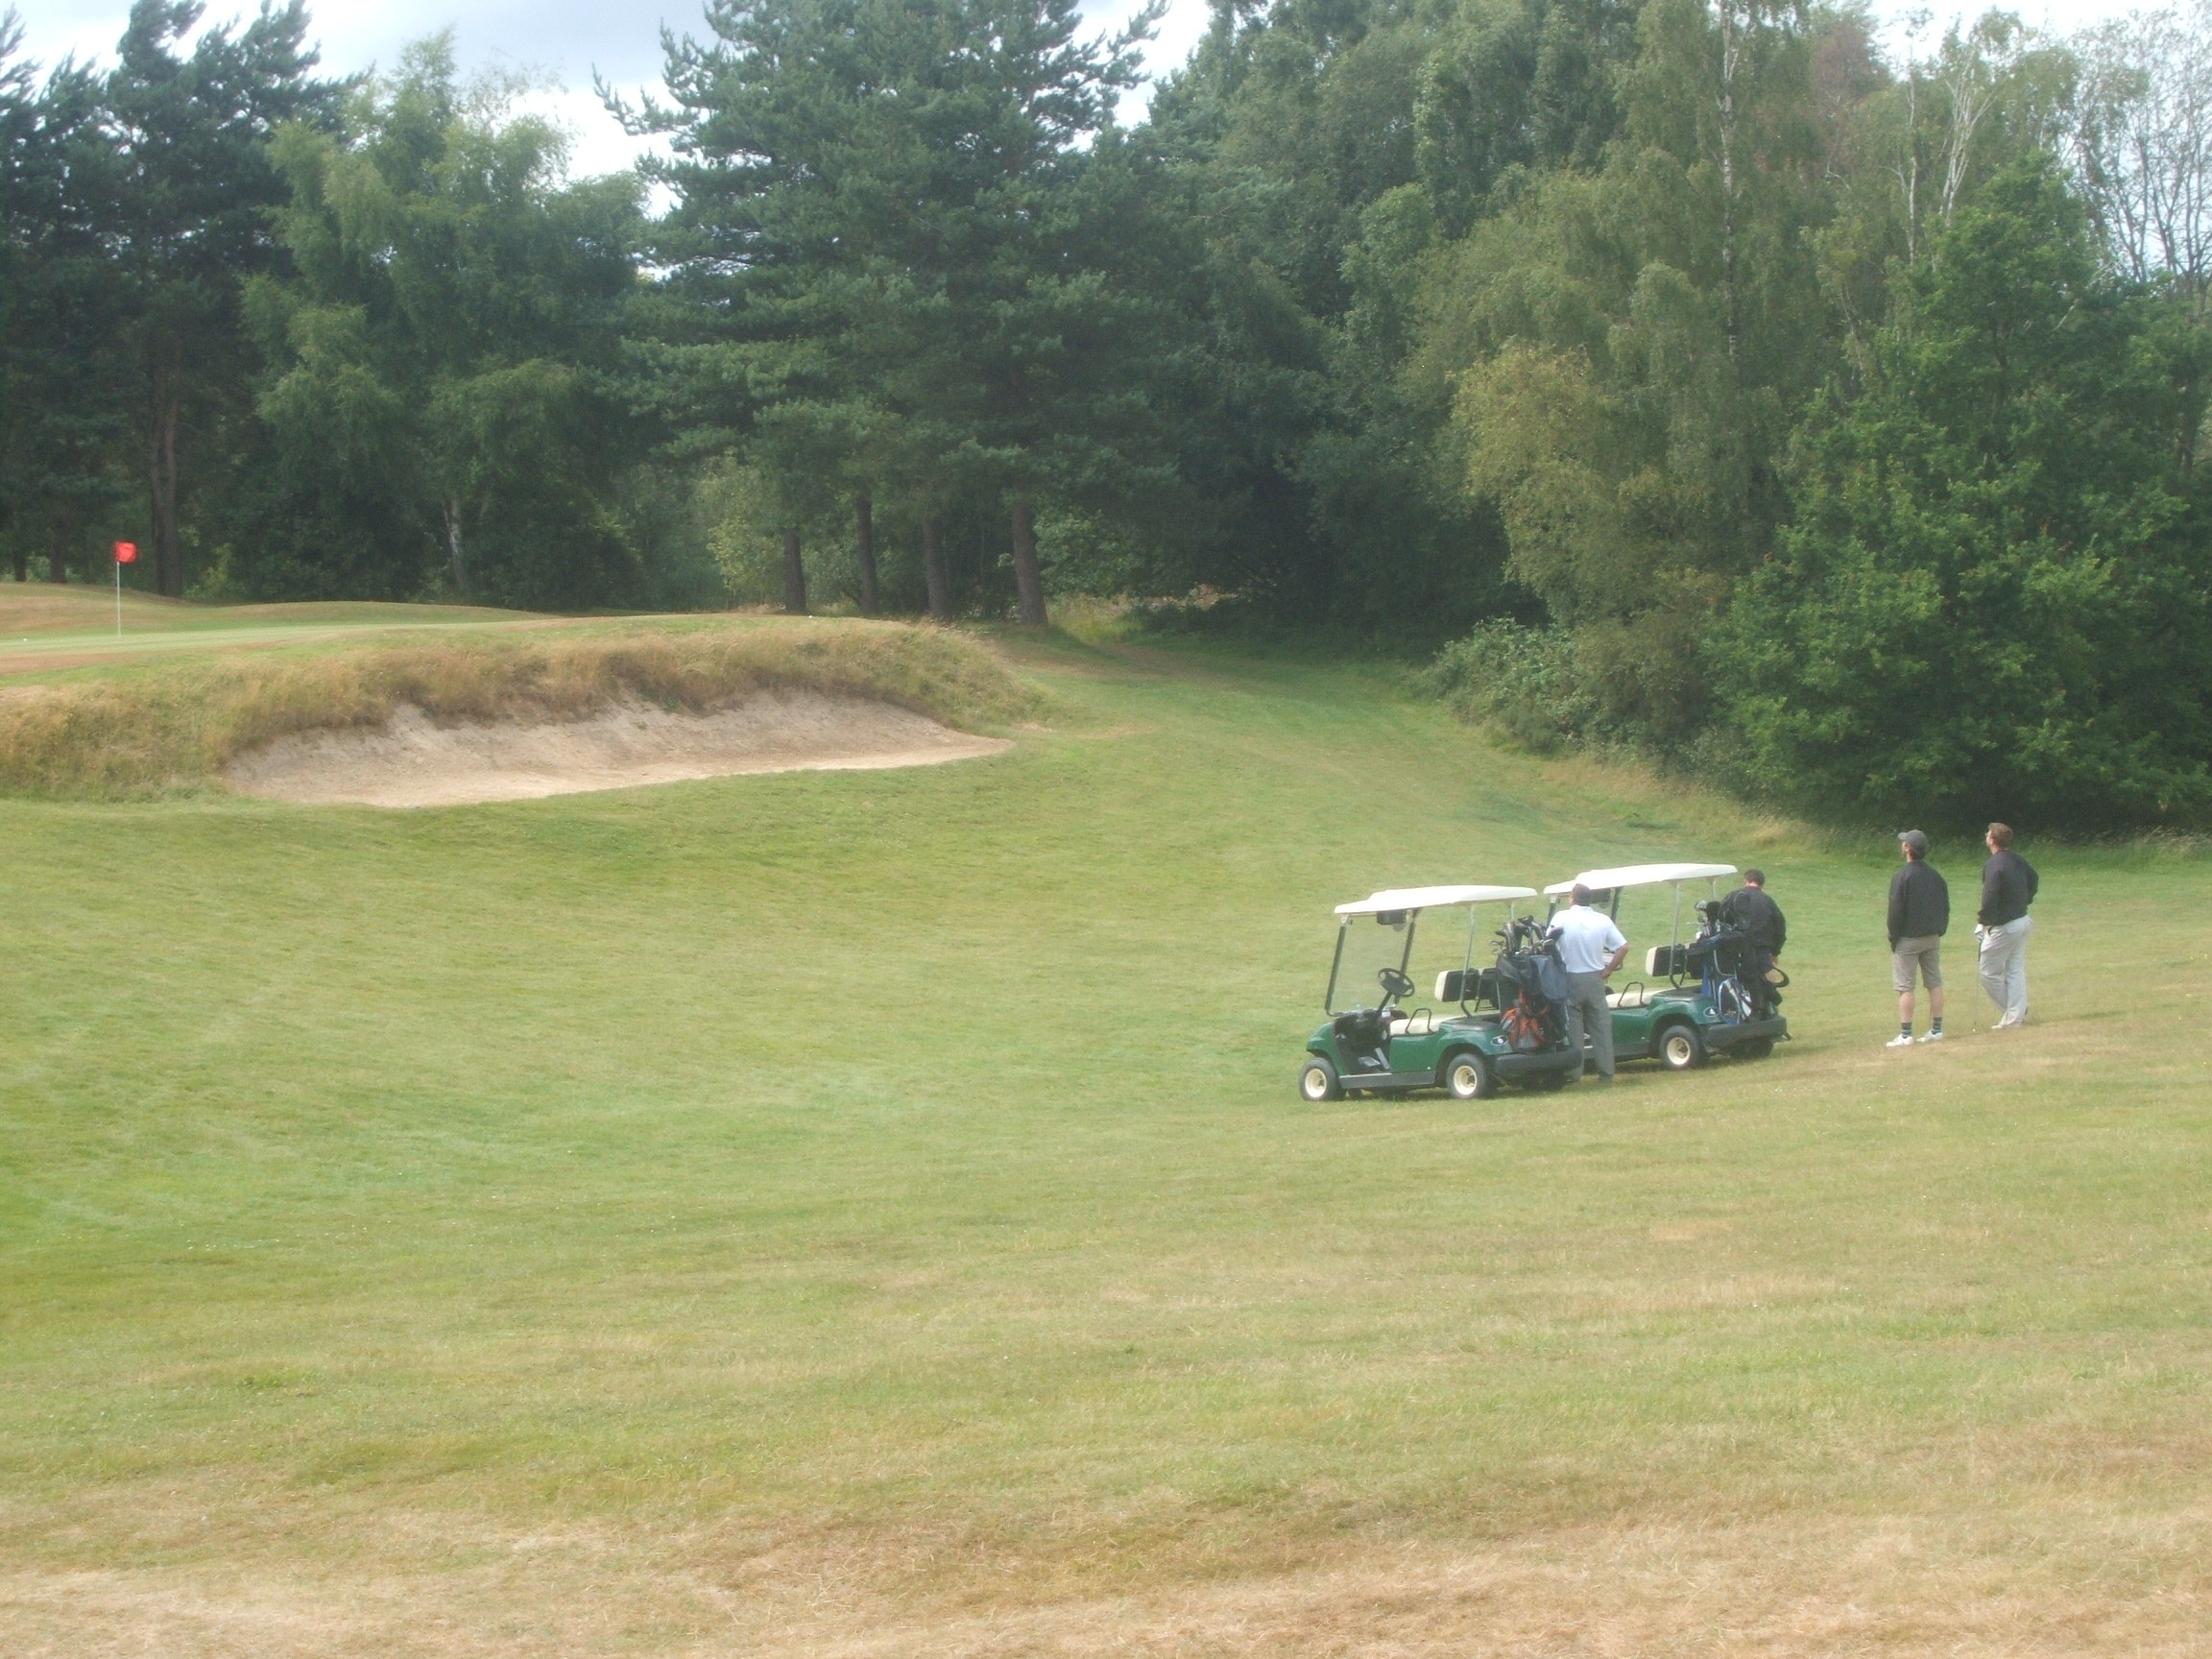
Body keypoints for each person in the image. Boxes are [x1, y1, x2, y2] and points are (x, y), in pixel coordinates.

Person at [1549, 883, 1628, 1083]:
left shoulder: (1561, 918)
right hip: (1595, 978)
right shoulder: (1602, 920)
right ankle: (1606, 1072)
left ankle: (1575, 1073)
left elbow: (1548, 943)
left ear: (1572, 899)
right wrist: (1609, 969)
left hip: (1570, 977)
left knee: (1574, 1028)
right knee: (1600, 1026)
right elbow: (1623, 947)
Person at [1887, 830, 1950, 1046]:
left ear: (1907, 849)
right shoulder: (1936, 876)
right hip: (1932, 936)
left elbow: (1895, 912)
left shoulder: (1902, 877)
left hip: (1908, 939)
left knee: (1906, 987)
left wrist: (1893, 938)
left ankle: (1906, 1034)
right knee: (1934, 982)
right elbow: (1945, 906)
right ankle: (1937, 1029)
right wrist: (1940, 929)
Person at [1977, 822, 2038, 1027]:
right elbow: (2034, 879)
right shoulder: (2018, 860)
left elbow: (1989, 895)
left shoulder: (1994, 865)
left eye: (1988, 834)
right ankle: (2016, 1012)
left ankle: (2014, 1011)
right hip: (2022, 920)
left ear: (1992, 840)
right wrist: (2025, 900)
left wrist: (1983, 922)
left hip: (2006, 926)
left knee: (1987, 972)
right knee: (2014, 969)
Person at [1719, 870, 1787, 1012]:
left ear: (1746, 880)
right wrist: (1775, 951)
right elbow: (1780, 925)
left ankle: (1750, 1009)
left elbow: (1722, 918)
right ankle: (1770, 1005)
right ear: (1761, 884)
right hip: (1763, 946)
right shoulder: (1767, 900)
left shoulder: (1734, 896)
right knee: (1767, 973)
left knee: (1748, 978)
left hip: (1740, 948)